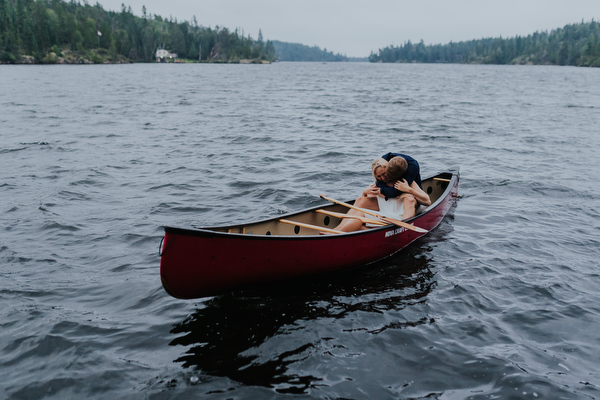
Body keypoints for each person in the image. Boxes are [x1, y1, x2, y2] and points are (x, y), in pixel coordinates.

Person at [333, 154, 431, 232]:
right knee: (360, 200)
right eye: (379, 176)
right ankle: (335, 231)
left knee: (409, 199)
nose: (383, 178)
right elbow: (369, 196)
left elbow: (427, 201)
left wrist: (408, 190)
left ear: (389, 170)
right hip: (388, 209)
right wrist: (364, 192)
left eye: (385, 174)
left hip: (402, 213)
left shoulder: (403, 181)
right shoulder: (379, 183)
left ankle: (403, 230)